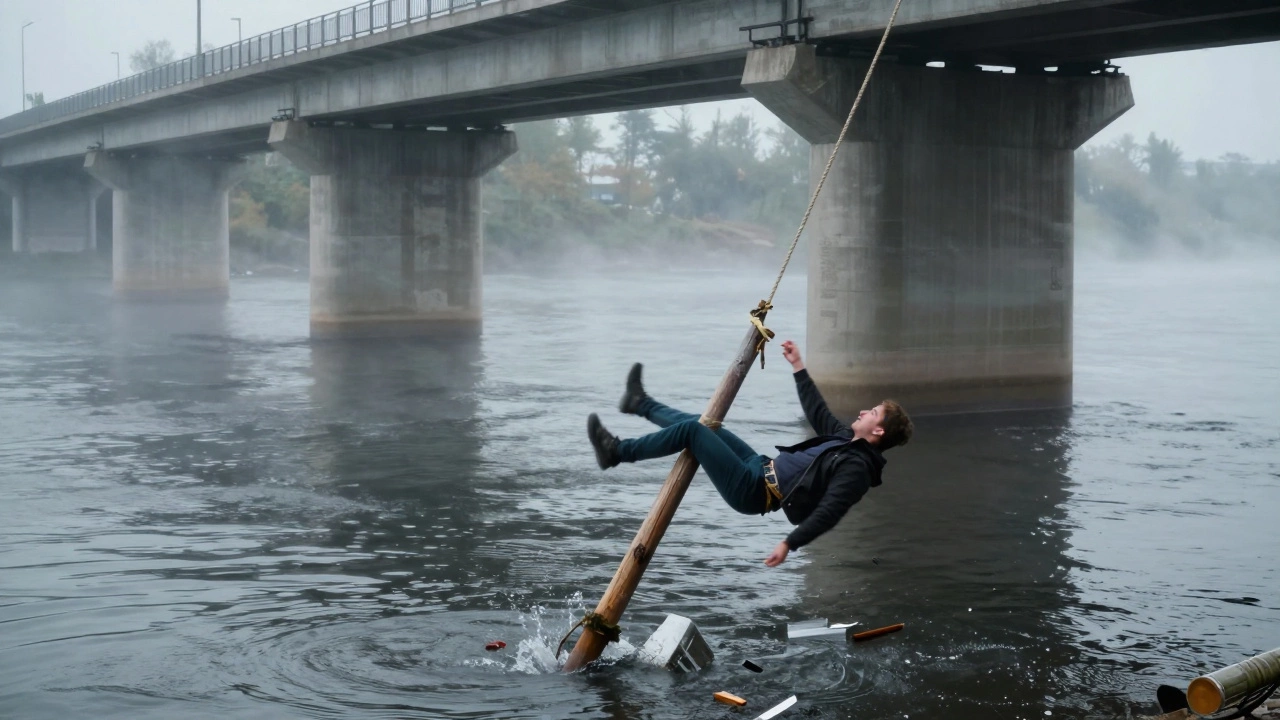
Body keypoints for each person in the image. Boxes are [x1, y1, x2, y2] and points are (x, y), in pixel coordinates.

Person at [586, 340, 912, 567]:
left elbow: (829, 511)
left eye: (874, 412)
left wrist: (790, 543)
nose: (865, 411)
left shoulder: (857, 471)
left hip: (754, 490)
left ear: (879, 430)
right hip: (758, 466)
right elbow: (817, 410)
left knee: (693, 433)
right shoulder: (844, 438)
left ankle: (615, 452)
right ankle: (638, 403)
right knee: (703, 425)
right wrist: (798, 366)